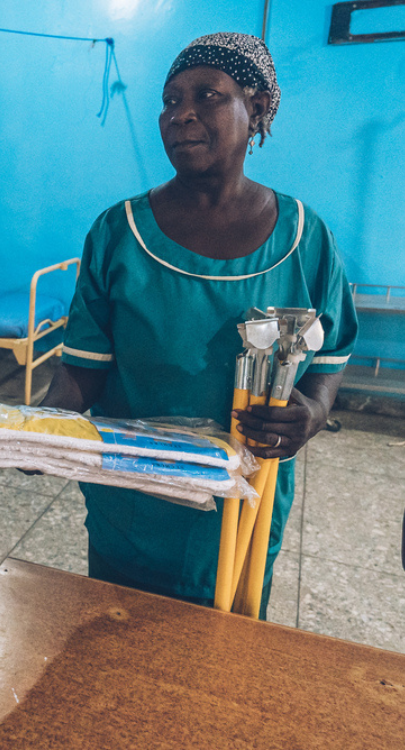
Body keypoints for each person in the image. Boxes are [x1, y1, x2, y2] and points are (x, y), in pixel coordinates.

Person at [41, 33, 357, 615]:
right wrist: (14, 430)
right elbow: (81, 372)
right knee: (116, 644)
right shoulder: (120, 233)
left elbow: (329, 357)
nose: (179, 114)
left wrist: (311, 413)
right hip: (133, 500)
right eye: (169, 100)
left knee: (222, 660)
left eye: (206, 95)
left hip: (243, 508)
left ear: (256, 107)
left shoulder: (304, 238)